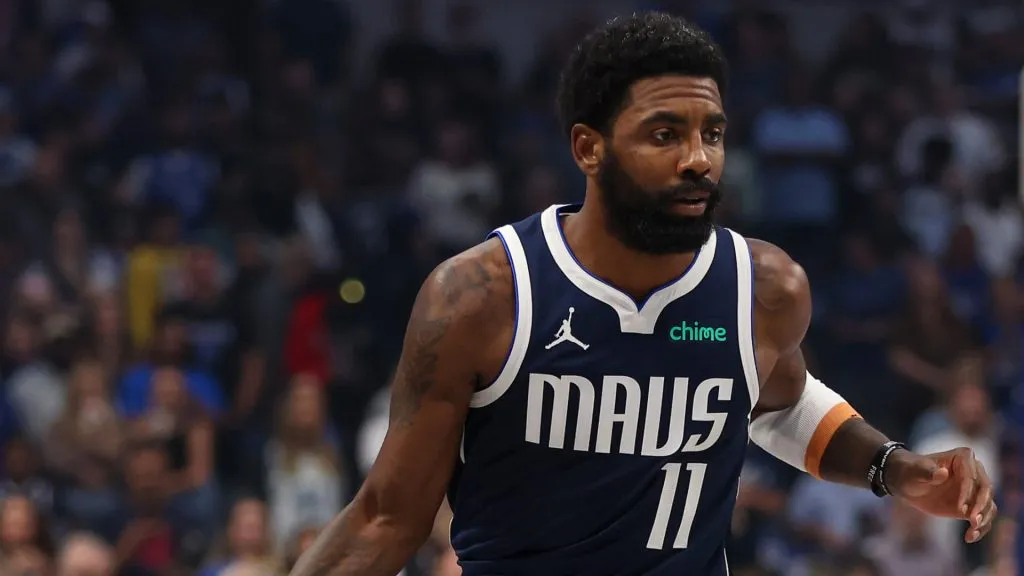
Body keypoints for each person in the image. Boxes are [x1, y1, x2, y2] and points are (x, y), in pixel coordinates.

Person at [289, 12, 997, 576]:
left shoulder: (765, 286)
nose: (699, 158)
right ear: (588, 148)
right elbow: (387, 518)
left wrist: (893, 466)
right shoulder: (481, 296)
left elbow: (779, 402)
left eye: (712, 133)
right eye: (665, 134)